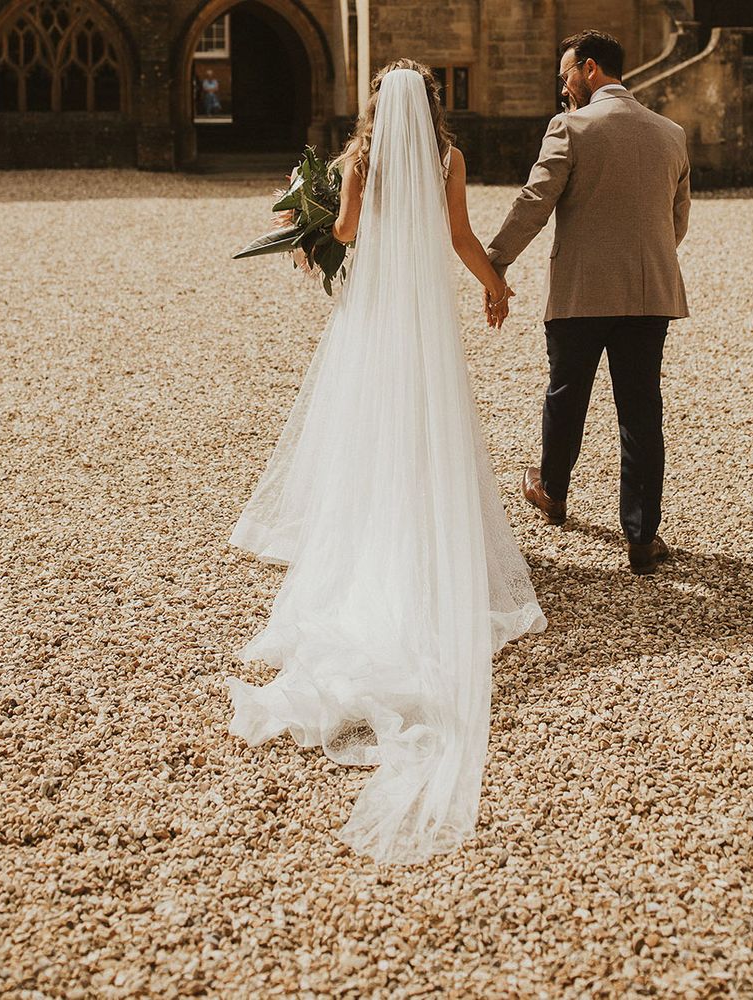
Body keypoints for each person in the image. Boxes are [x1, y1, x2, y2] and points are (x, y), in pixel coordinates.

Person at [224, 61, 546, 865]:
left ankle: (370, 534)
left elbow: (344, 235)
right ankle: (430, 536)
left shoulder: (359, 160)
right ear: (430, 104)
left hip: (374, 317)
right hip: (424, 318)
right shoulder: (448, 159)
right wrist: (495, 286)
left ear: (377, 105)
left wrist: (308, 220)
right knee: (428, 421)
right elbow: (460, 238)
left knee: (366, 425)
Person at [485, 30, 691, 576]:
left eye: (566, 75)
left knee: (567, 393)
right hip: (649, 293)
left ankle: (552, 492)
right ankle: (642, 537)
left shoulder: (570, 128)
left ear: (591, 69)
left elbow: (535, 200)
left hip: (581, 290)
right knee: (641, 411)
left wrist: (496, 260)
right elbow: (676, 222)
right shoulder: (671, 133)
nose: (563, 88)